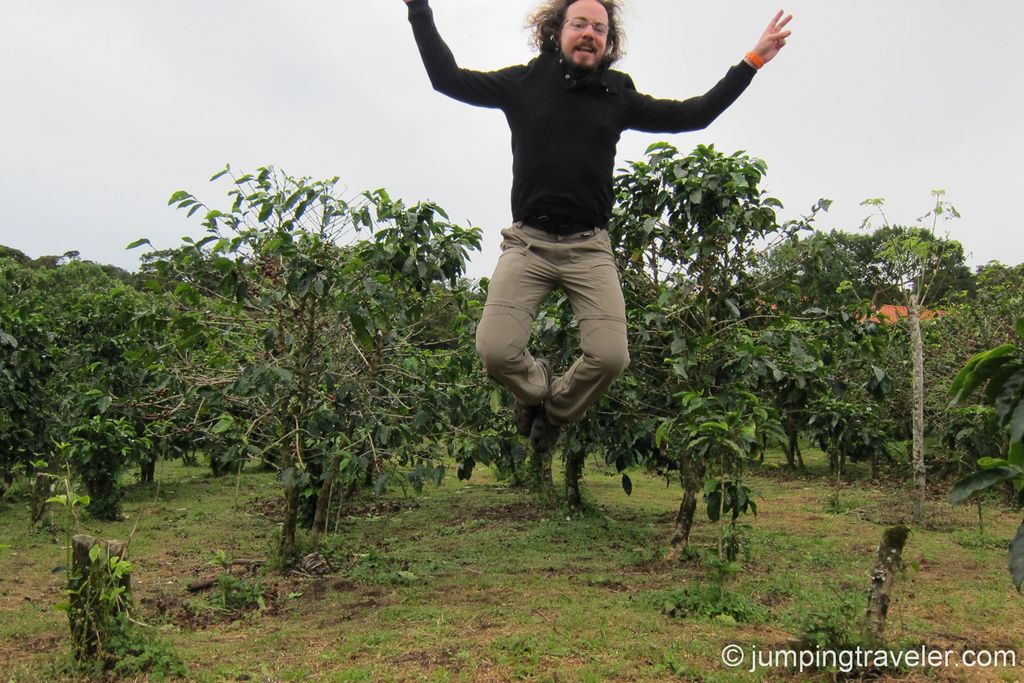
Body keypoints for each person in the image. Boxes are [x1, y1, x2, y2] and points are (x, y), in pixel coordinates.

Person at [401, 0, 792, 453]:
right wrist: (418, 9)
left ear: (609, 43)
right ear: (556, 32)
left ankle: (555, 412)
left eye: (600, 29)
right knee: (494, 350)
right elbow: (446, 79)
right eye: (580, 24)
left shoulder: (616, 93)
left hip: (589, 248)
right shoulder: (525, 82)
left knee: (610, 356)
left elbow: (694, 114)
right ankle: (535, 388)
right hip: (528, 244)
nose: (590, 33)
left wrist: (752, 61)